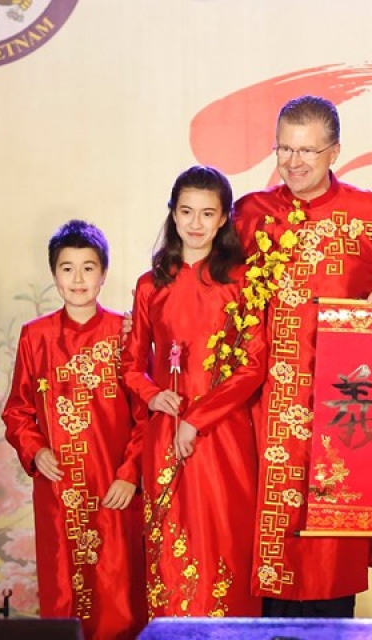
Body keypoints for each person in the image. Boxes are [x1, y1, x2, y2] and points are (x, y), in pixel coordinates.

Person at [234, 95, 372, 618]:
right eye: (284, 149)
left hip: (341, 412)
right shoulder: (250, 215)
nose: (293, 163)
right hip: (262, 412)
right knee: (261, 552)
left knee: (330, 555)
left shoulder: (371, 216)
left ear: (335, 151)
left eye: (307, 152)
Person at [120, 165, 267, 618]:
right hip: (166, 433)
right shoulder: (151, 285)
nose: (196, 224)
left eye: (208, 213)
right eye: (187, 212)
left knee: (224, 542)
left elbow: (253, 367)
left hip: (221, 433)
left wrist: (198, 419)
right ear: (173, 214)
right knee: (170, 552)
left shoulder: (241, 282)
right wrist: (150, 394)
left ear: (224, 218)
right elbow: (130, 364)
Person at [2, 220, 146, 640]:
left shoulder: (126, 333)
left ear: (104, 273)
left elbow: (146, 415)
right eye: (67, 268)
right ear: (53, 275)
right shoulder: (36, 337)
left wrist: (129, 473)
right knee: (64, 595)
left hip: (112, 489)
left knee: (119, 596)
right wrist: (34, 450)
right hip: (59, 491)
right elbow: (17, 410)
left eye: (88, 267)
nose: (78, 279)